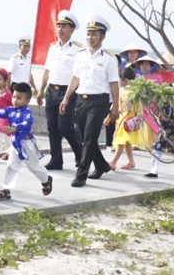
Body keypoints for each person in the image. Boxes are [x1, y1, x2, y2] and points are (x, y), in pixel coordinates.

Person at [60, 15, 119, 187]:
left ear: (103, 36)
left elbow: (114, 84)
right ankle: (101, 165)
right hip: (81, 99)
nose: (90, 37)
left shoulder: (109, 58)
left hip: (100, 101)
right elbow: (75, 77)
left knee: (90, 137)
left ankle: (81, 174)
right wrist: (66, 98)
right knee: (85, 138)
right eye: (88, 34)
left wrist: (116, 106)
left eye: (94, 34)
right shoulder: (80, 55)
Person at [0, 82, 53, 200]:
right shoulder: (10, 110)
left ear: (27, 101)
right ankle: (6, 189)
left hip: (26, 144)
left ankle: (46, 180)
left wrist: (14, 128)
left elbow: (26, 125)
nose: (15, 100)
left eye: (19, 98)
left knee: (34, 167)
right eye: (14, 97)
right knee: (11, 166)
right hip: (15, 144)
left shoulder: (27, 113)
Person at [36, 10, 83, 170]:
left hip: (67, 92)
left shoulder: (78, 49)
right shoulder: (53, 48)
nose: (60, 29)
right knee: (52, 127)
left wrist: (68, 96)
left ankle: (80, 154)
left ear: (72, 29)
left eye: (64, 26)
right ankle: (56, 160)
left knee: (65, 126)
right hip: (51, 90)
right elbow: (47, 70)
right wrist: (40, 90)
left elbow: (77, 74)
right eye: (58, 26)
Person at [107, 67, 154, 171]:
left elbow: (139, 108)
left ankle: (113, 162)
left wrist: (138, 120)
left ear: (125, 80)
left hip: (129, 122)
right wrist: (110, 115)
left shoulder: (133, 93)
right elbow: (117, 105)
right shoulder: (121, 91)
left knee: (121, 142)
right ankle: (131, 161)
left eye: (120, 79)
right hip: (122, 120)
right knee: (126, 142)